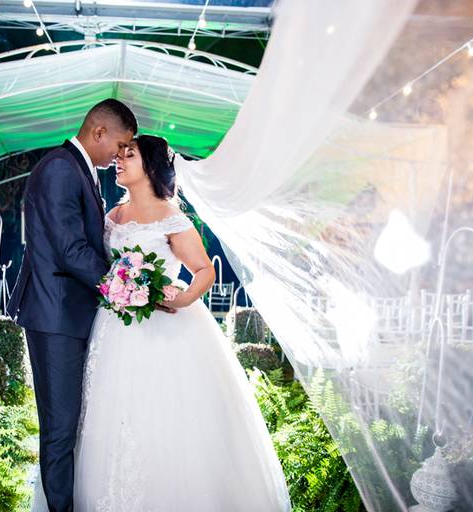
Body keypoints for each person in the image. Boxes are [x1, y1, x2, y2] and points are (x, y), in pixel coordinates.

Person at [33, 135, 292, 511]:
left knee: (164, 415)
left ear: (150, 167)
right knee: (105, 415)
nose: (119, 160)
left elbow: (204, 270)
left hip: (164, 329)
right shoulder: (112, 216)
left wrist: (183, 298)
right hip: (112, 327)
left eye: (129, 155)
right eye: (119, 154)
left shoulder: (171, 217)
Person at [8, 98, 137, 512]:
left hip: (71, 313)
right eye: (120, 145)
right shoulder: (61, 169)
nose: (120, 155)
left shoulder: (77, 169)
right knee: (60, 428)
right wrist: (125, 287)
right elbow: (71, 249)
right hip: (56, 314)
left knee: (74, 424)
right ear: (99, 132)